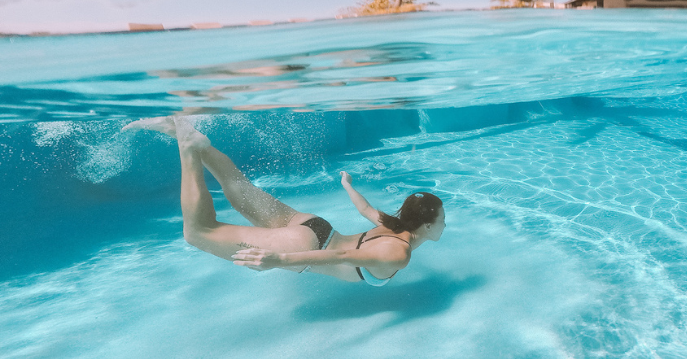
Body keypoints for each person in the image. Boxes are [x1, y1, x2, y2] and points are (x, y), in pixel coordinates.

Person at [123, 116, 445, 286]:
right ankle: (188, 146)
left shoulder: (391, 224)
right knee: (198, 232)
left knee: (239, 189)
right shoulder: (399, 252)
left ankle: (189, 136)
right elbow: (347, 255)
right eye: (442, 220)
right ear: (428, 225)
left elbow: (363, 208)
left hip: (315, 225)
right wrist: (280, 261)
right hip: (305, 245)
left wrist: (347, 185)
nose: (444, 225)